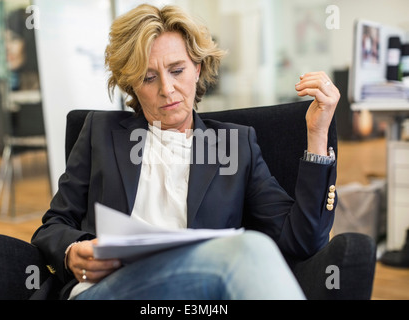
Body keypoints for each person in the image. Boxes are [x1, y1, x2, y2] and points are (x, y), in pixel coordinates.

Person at [31, 4, 340, 300]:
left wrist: (316, 134)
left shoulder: (234, 145)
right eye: (148, 78)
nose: (167, 89)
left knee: (251, 249)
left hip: (199, 297)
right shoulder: (100, 131)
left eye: (177, 70)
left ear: (197, 68)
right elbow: (53, 225)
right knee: (249, 248)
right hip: (108, 289)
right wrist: (74, 252)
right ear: (131, 86)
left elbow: (301, 240)